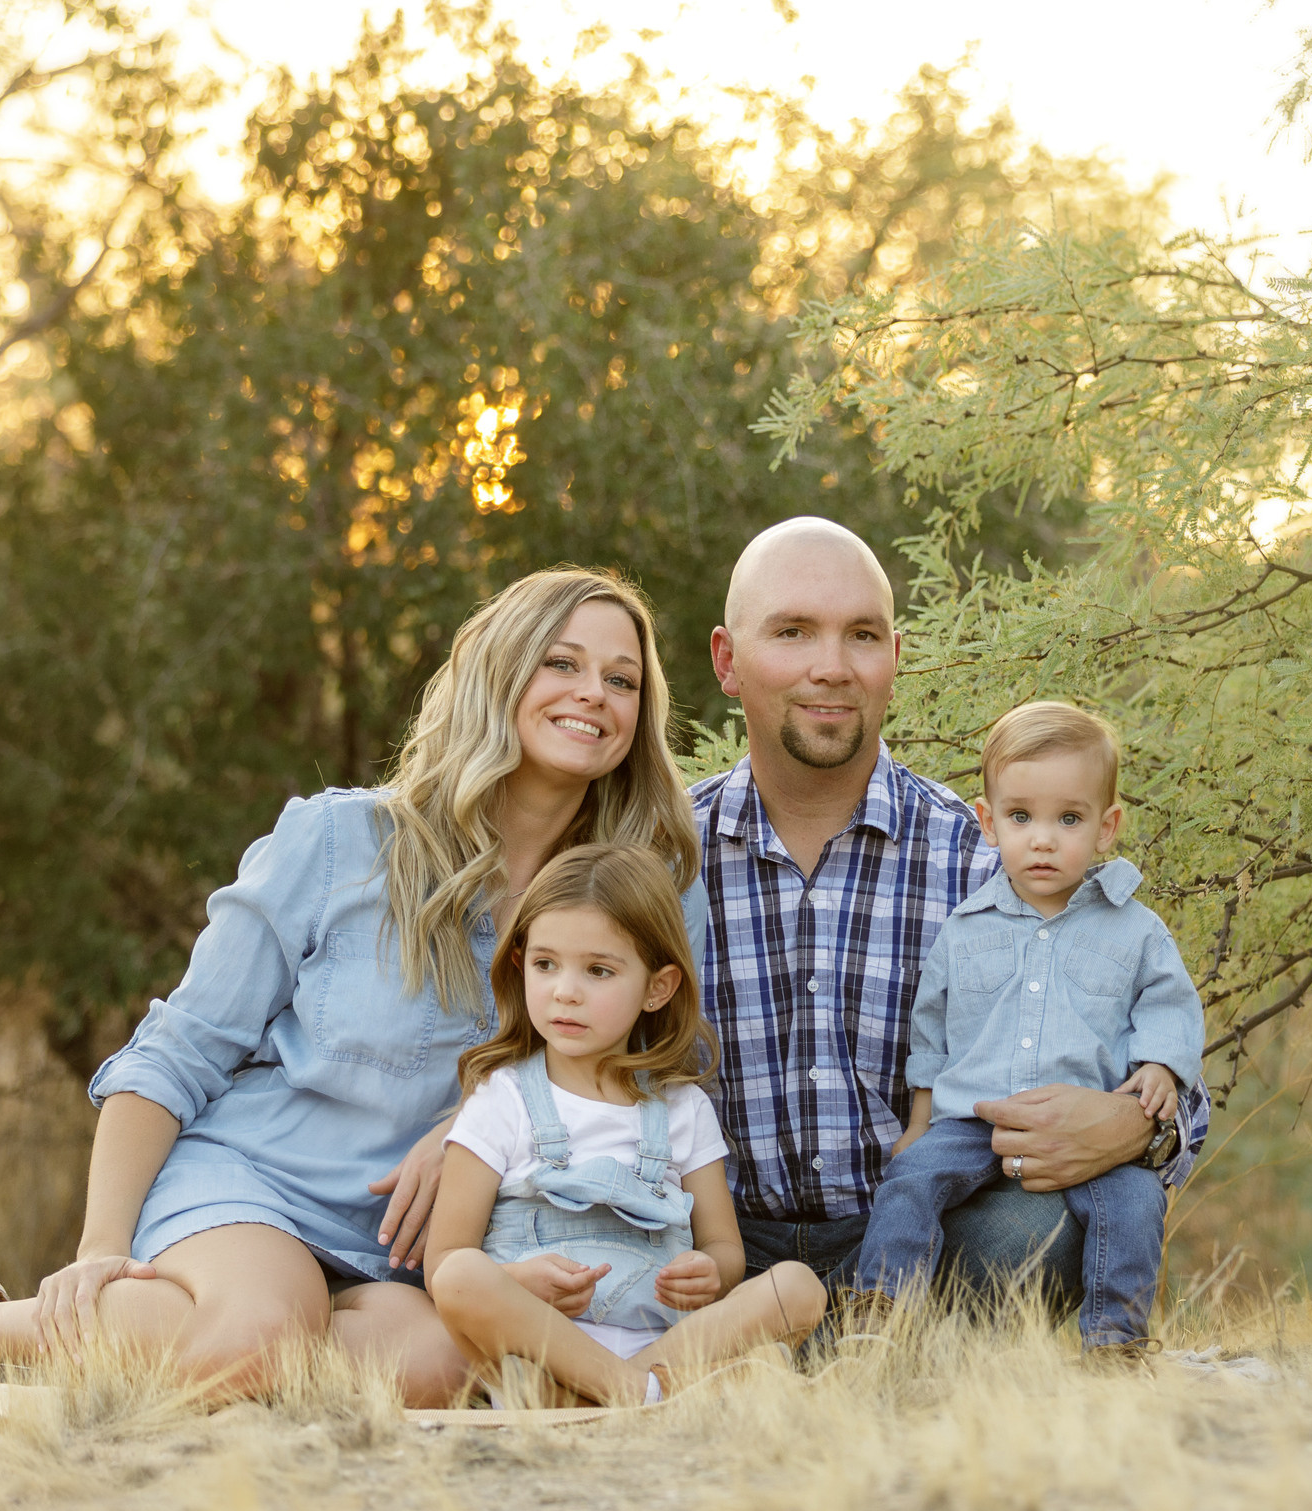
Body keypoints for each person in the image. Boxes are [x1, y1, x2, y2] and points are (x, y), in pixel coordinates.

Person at [0, 568, 698, 1439]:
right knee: (262, 1333)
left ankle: (119, 1362)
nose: (595, 693)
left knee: (443, 1360)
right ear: (502, 674)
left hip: (404, 1256)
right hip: (253, 1187)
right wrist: (100, 1244)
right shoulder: (341, 840)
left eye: (622, 679)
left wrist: (470, 1119)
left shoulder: (633, 892)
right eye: (563, 662)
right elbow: (178, 1047)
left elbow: (644, 1070)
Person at [684, 517, 1208, 1306]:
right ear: (729, 660)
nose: (831, 667)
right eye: (792, 631)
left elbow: (1170, 1069)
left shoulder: (986, 862)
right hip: (710, 1248)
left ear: (895, 659)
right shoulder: (662, 859)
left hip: (927, 1237)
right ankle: (773, 1337)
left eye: (861, 635)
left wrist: (1140, 1126)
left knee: (1039, 1233)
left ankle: (877, 1331)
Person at [424, 843, 825, 1406]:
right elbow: (443, 1261)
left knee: (796, 1287)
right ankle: (646, 1396)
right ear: (521, 966)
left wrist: (709, 1272)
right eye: (545, 964)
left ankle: (618, 1397)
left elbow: (724, 1249)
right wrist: (517, 1282)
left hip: (666, 1342)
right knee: (464, 1276)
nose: (565, 990)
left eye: (598, 970)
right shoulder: (502, 1097)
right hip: (543, 1348)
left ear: (657, 988)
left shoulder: (682, 1108)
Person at [855, 702, 1204, 1348]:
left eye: (1069, 818)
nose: (1043, 838)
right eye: (1021, 817)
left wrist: (1159, 1064)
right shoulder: (965, 929)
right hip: (970, 1120)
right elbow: (931, 1033)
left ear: (1107, 826)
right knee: (909, 1178)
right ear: (988, 822)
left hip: (1091, 1120)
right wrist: (920, 1121)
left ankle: (1116, 1337)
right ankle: (881, 1304)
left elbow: (1168, 1002)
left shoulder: (1136, 930)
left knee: (1136, 1202)